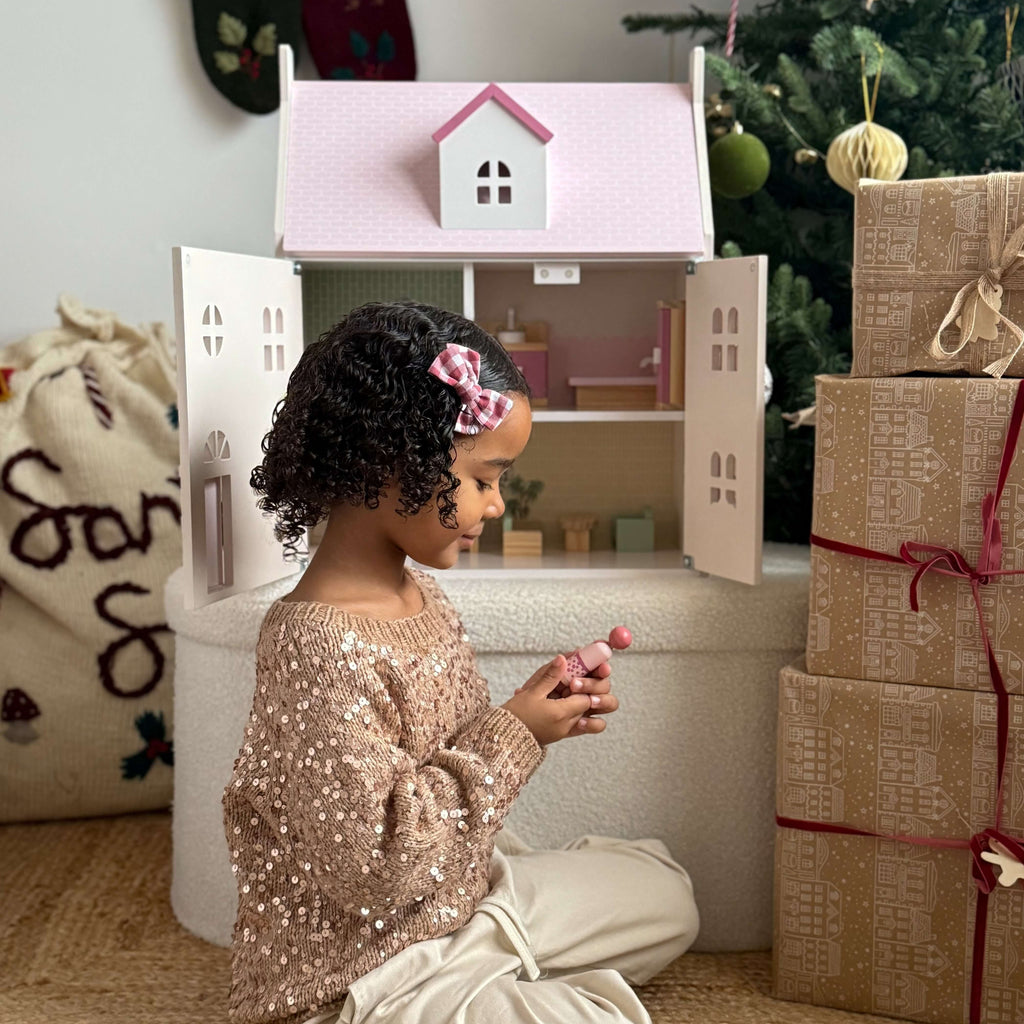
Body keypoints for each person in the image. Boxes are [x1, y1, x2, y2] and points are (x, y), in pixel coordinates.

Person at [222, 301, 699, 1024]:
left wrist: (542, 708)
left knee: (666, 893)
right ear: (393, 465)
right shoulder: (313, 646)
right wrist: (514, 733)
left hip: (456, 901)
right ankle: (485, 981)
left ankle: (490, 960)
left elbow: (458, 752)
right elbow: (377, 871)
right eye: (484, 479)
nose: (498, 505)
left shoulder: (425, 596)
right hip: (364, 974)